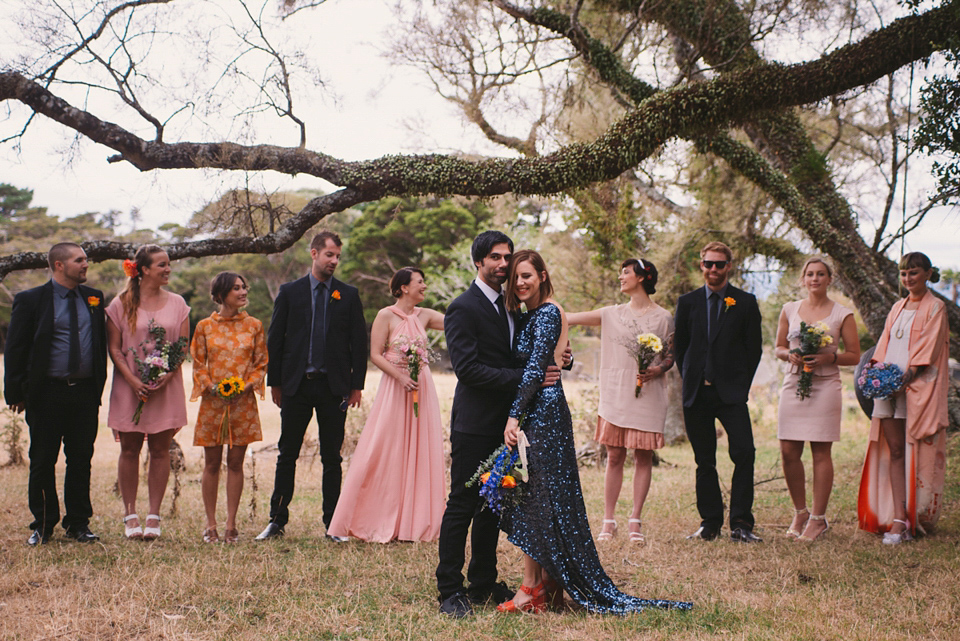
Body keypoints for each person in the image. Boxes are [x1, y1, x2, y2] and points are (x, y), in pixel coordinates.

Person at [497, 250, 692, 614]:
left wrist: (513, 416)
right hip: (538, 407)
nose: (520, 283)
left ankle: (532, 589)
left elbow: (537, 368)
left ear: (542, 275)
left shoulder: (549, 311)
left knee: (536, 497)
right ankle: (546, 584)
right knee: (540, 498)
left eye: (527, 275)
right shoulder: (533, 314)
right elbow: (543, 358)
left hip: (543, 413)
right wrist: (561, 357)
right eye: (515, 278)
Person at [436, 231, 564, 618]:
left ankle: (482, 582)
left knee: (494, 504)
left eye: (508, 257)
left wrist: (559, 361)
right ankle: (450, 590)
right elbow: (469, 370)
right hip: (475, 423)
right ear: (479, 261)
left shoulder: (513, 306)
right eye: (496, 257)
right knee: (463, 502)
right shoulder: (462, 308)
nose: (504, 265)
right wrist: (528, 376)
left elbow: (529, 351)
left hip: (509, 425)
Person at [256, 230, 367, 541]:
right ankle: (276, 521)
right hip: (296, 386)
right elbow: (275, 341)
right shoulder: (290, 292)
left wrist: (355, 385)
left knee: (332, 457)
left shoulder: (348, 294)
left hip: (334, 389)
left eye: (337, 256)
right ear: (314, 253)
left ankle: (333, 524)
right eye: (329, 254)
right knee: (286, 453)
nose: (334, 261)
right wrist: (275, 382)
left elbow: (358, 342)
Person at [328, 267, 446, 542]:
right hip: (396, 387)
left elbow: (459, 321)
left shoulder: (425, 315)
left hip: (421, 388)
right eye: (420, 282)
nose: (424, 286)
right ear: (404, 287)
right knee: (386, 448)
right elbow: (375, 354)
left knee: (420, 448)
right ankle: (373, 516)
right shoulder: (385, 315)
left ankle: (415, 522)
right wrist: (401, 376)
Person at [4, 242, 108, 545]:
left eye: (86, 260)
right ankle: (43, 524)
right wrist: (15, 392)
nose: (86, 265)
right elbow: (16, 348)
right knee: (42, 459)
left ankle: (78, 524)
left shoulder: (94, 298)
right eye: (79, 261)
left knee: (80, 460)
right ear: (59, 265)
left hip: (84, 394)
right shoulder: (31, 299)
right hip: (46, 393)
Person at [567, 258, 673, 544]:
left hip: (649, 395)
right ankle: (608, 520)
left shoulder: (664, 317)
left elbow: (671, 356)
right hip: (615, 392)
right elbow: (569, 317)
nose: (620, 277)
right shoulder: (610, 313)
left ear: (641, 277)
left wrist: (657, 369)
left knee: (643, 456)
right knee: (614, 455)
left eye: (626, 272)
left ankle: (635, 520)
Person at [858, 252, 950, 544]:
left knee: (914, 450)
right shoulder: (897, 307)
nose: (908, 278)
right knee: (894, 451)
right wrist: (877, 377)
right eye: (904, 273)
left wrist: (905, 378)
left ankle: (916, 515)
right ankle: (898, 517)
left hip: (915, 387)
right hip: (889, 386)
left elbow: (930, 347)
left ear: (927, 273)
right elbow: (883, 344)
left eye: (914, 272)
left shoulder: (937, 307)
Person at [674, 241, 763, 543]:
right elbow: (681, 348)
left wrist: (740, 385)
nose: (713, 269)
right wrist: (691, 378)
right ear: (701, 266)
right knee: (704, 460)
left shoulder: (745, 302)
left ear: (729, 266)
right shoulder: (687, 302)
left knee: (745, 453)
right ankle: (709, 523)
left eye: (719, 264)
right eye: (708, 264)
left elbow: (754, 350)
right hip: (696, 393)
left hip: (731, 395)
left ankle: (741, 524)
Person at [106, 244, 190, 540]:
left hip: (165, 388)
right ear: (143, 270)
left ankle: (153, 515)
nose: (168, 269)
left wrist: (165, 376)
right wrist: (132, 379)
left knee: (159, 450)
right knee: (129, 449)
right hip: (130, 388)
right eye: (162, 265)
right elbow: (114, 348)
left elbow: (182, 347)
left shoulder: (178, 303)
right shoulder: (120, 304)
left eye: (168, 264)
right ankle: (130, 515)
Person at [774, 256, 860, 542]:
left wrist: (829, 357)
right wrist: (790, 355)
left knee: (820, 452)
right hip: (794, 382)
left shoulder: (841, 314)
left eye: (820, 274)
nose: (815, 278)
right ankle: (800, 511)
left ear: (829, 279)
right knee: (788, 450)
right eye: (810, 274)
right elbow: (779, 347)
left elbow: (854, 355)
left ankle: (818, 519)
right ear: (803, 279)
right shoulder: (789, 309)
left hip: (826, 386)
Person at [190, 272, 268, 544]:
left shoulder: (254, 325)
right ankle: (210, 524)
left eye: (244, 287)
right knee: (212, 464)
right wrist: (211, 388)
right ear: (221, 295)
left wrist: (247, 387)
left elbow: (261, 364)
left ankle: (231, 525)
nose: (243, 292)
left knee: (235, 463)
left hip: (242, 403)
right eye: (237, 288)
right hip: (213, 404)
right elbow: (198, 365)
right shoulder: (204, 327)